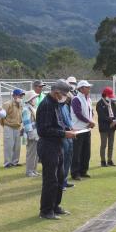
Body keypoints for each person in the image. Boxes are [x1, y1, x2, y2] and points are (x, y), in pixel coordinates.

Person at [36, 80, 76, 219]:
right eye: (64, 94)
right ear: (57, 92)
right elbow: (44, 130)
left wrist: (66, 129)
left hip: (57, 145)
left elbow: (57, 124)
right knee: (50, 180)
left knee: (59, 177)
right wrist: (64, 134)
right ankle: (46, 210)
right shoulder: (47, 105)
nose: (65, 97)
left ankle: (55, 206)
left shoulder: (56, 104)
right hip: (48, 146)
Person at [70, 80, 95, 180]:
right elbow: (78, 113)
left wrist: (91, 120)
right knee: (77, 153)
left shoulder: (88, 99)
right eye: (87, 87)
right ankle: (75, 173)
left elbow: (90, 112)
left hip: (86, 129)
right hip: (78, 129)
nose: (89, 88)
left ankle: (83, 171)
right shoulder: (76, 99)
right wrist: (89, 122)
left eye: (89, 87)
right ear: (81, 88)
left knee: (86, 152)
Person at [0, 89, 25, 168]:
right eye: (19, 95)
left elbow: (21, 116)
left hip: (17, 127)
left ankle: (15, 162)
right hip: (9, 127)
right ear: (14, 96)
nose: (20, 97)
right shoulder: (7, 104)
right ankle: (7, 163)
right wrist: (5, 125)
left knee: (17, 146)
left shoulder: (21, 104)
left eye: (21, 95)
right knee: (9, 145)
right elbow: (1, 117)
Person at [96, 86, 116, 167]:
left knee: (111, 144)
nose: (110, 97)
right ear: (105, 94)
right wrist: (111, 121)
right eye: (109, 95)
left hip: (112, 127)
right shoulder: (99, 104)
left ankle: (110, 160)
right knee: (103, 144)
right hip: (104, 127)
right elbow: (102, 116)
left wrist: (115, 120)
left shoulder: (112, 103)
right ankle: (103, 161)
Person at [60, 87, 75, 190]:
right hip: (63, 135)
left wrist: (72, 128)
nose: (69, 101)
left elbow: (69, 119)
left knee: (68, 158)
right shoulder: (58, 106)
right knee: (63, 158)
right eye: (68, 99)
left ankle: (64, 180)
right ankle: (60, 183)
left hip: (69, 134)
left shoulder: (65, 106)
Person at [22, 90, 40, 177]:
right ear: (30, 99)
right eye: (34, 98)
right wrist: (31, 133)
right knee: (31, 153)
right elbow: (26, 123)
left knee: (36, 153)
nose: (36, 99)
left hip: (37, 133)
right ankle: (29, 171)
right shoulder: (26, 109)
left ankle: (34, 170)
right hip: (32, 134)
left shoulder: (33, 108)